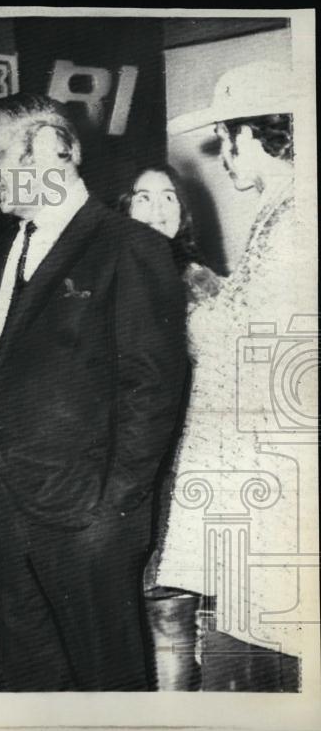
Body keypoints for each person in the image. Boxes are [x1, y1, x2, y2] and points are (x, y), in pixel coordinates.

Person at [0, 94, 188, 691]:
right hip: (6, 507)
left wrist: (111, 509)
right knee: (31, 675)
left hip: (90, 516)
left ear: (53, 149)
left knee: (110, 685)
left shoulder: (131, 247)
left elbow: (154, 391)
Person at [159, 61, 313, 683]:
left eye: (225, 138)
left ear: (251, 134)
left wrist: (182, 301)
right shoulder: (284, 210)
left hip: (274, 470)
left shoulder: (293, 218)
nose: (223, 156)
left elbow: (256, 347)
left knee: (267, 646)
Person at [118, 164, 221, 303]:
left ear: (181, 214)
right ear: (127, 209)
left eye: (168, 198)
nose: (156, 209)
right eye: (144, 198)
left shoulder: (200, 280)